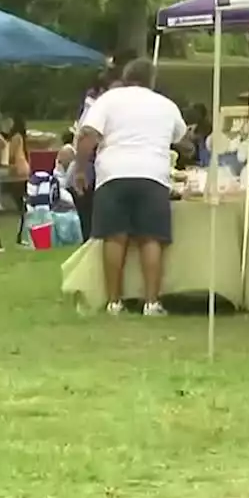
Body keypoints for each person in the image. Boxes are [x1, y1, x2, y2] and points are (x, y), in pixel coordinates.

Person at [73, 59, 187, 317]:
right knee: (151, 239)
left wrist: (80, 169)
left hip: (113, 173)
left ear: (126, 77)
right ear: (152, 80)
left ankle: (115, 302)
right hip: (152, 174)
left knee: (115, 237)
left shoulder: (108, 100)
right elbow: (182, 138)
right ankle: (151, 303)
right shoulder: (166, 105)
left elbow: (87, 135)